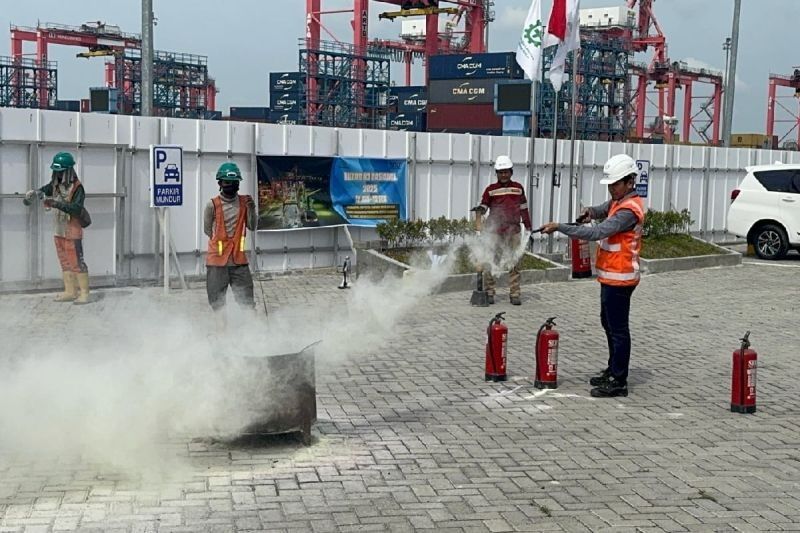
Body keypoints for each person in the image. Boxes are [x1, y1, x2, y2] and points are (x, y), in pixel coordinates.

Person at [539, 153, 645, 398]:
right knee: (608, 323)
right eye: (609, 184)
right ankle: (612, 369)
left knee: (618, 329)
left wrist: (561, 227)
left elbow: (598, 232)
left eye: (615, 184)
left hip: (621, 277)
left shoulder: (629, 210)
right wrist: (589, 212)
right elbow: (602, 210)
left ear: (630, 182)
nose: (611, 189)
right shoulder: (619, 201)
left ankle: (619, 380)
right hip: (610, 276)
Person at [23, 152, 90, 304]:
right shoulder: (55, 185)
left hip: (72, 230)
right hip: (58, 229)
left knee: (76, 262)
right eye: (55, 171)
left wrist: (54, 203)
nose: (57, 174)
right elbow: (43, 191)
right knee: (65, 261)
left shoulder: (78, 188)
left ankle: (84, 293)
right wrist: (34, 193)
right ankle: (70, 291)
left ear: (67, 171)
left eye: (60, 171)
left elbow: (76, 208)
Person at [474, 155, 533, 305]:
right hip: (494, 232)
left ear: (511, 172)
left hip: (513, 231)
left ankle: (515, 293)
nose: (503, 175)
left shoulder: (518, 188)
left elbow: (524, 209)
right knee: (491, 261)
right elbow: (485, 205)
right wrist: (480, 209)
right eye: (500, 172)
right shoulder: (491, 190)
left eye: (506, 171)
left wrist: (528, 228)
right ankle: (489, 291)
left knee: (514, 262)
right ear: (496, 173)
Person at [203, 162, 258, 316]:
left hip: (239, 262)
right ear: (220, 183)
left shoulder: (245, 203)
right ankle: (222, 335)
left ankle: (255, 333)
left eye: (234, 182)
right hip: (217, 262)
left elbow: (252, 226)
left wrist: (252, 210)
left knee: (247, 302)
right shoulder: (212, 205)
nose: (231, 185)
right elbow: (208, 230)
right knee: (217, 304)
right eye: (227, 182)